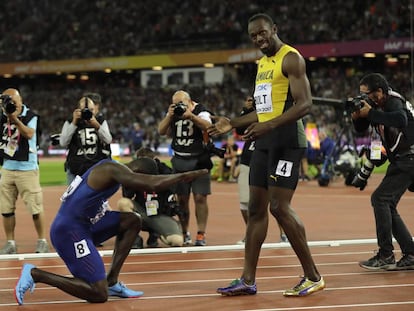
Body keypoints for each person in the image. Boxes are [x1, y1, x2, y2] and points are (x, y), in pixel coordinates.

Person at [208, 13, 324, 296]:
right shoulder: (262, 64)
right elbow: (264, 109)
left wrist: (268, 126)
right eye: (254, 36)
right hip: (264, 141)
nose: (259, 39)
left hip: (287, 142)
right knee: (256, 210)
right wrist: (233, 123)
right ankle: (247, 280)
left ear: (274, 29)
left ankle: (313, 276)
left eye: (262, 33)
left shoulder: (291, 58)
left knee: (279, 208)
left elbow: (305, 104)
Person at [14, 158, 207, 305]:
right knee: (98, 294)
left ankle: (112, 281)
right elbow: (152, 184)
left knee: (132, 220)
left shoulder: (113, 171)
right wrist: (183, 176)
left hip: (84, 226)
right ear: (137, 171)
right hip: (69, 232)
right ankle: (36, 274)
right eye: (137, 181)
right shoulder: (111, 169)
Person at [350, 72, 414, 270]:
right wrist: (357, 117)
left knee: (381, 200)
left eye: (367, 94)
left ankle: (386, 255)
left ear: (379, 92)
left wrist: (369, 114)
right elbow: (372, 141)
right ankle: (410, 254)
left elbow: (401, 120)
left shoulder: (393, 101)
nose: (364, 99)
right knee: (386, 203)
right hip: (402, 160)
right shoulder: (379, 107)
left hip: (409, 159)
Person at [158, 90, 212, 246]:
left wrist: (191, 116)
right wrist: (169, 116)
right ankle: (184, 231)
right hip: (180, 160)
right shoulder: (173, 112)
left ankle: (201, 233)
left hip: (199, 160)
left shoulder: (201, 110)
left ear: (189, 102)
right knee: (182, 200)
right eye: (175, 104)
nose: (178, 106)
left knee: (200, 197)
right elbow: (161, 131)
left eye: (181, 103)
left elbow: (208, 126)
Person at [0, 88, 49, 254]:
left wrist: (14, 119)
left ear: (20, 101)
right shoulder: (2, 116)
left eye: (12, 101)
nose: (11, 104)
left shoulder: (31, 116)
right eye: (7, 101)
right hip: (7, 167)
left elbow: (29, 134)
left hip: (27, 168)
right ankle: (10, 243)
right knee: (6, 209)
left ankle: (42, 240)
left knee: (35, 208)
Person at [121, 156, 184, 248]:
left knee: (177, 241)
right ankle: (134, 237)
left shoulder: (164, 178)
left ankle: (157, 233)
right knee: (123, 202)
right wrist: (128, 182)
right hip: (142, 213)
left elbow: (174, 203)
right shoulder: (137, 179)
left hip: (160, 216)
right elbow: (127, 196)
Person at [59, 95, 112, 184]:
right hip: (75, 169)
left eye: (91, 110)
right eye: (85, 110)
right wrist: (74, 123)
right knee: (74, 197)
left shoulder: (100, 121)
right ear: (78, 110)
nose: (88, 113)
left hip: (96, 169)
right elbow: (63, 142)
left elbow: (108, 140)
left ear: (96, 110)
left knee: (95, 197)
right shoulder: (70, 121)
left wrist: (96, 125)